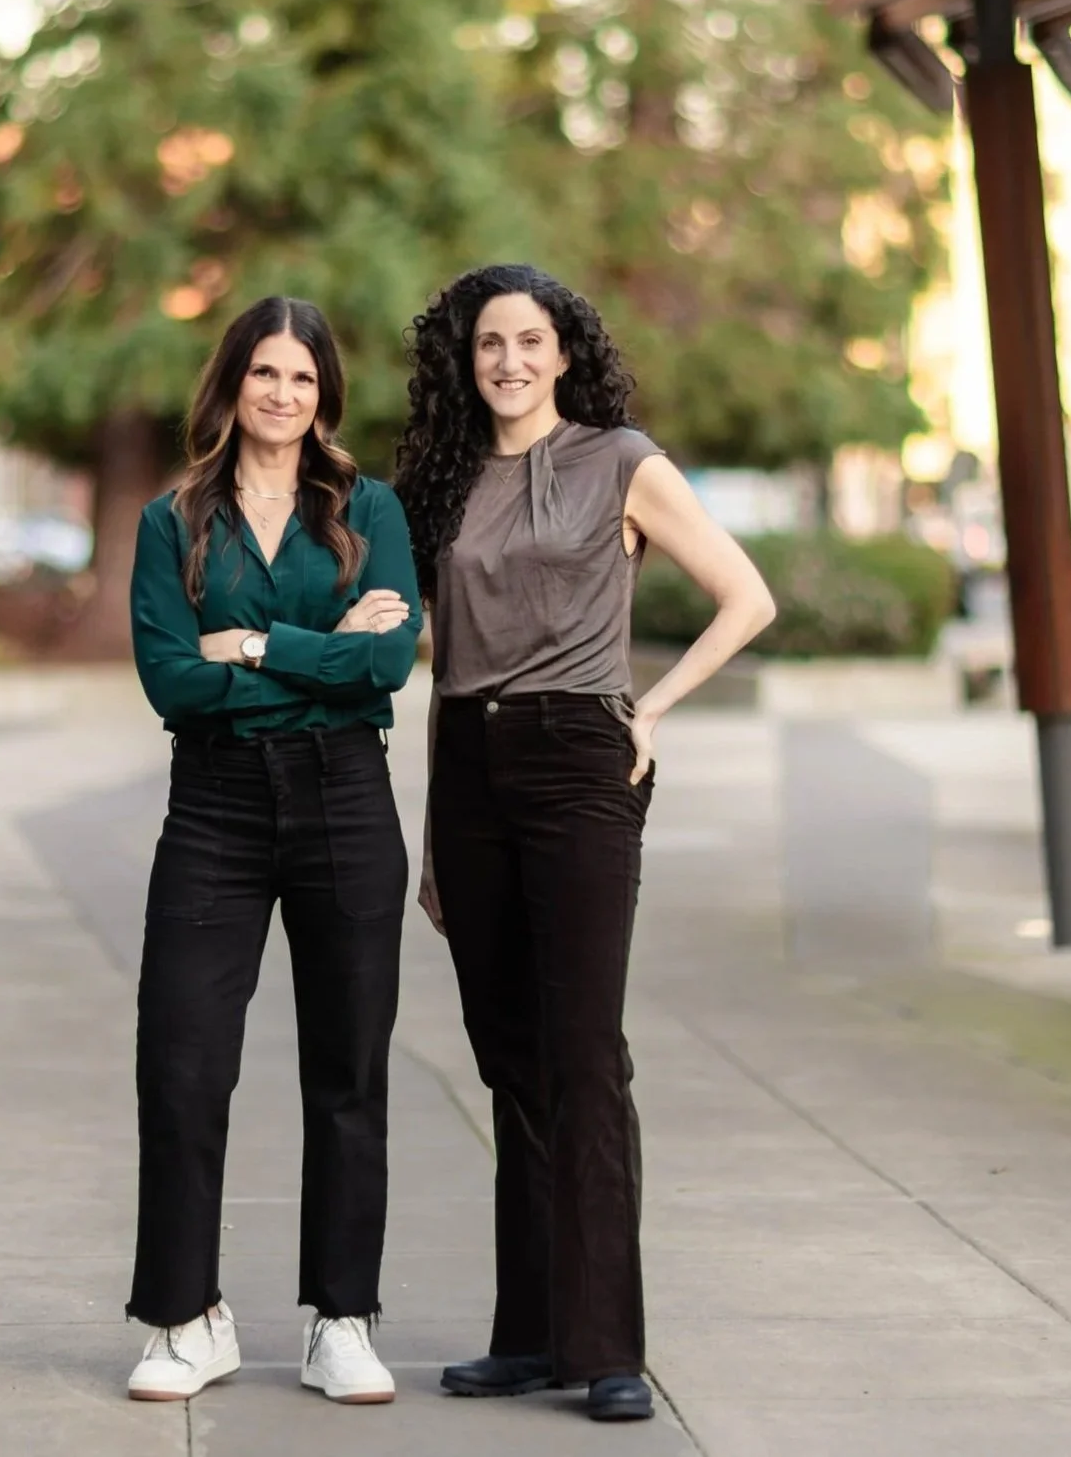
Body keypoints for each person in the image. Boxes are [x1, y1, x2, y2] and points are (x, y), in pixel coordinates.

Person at [395, 263, 776, 1423]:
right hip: (467, 762)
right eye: (486, 344)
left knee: (581, 1053)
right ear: (464, 362)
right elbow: (434, 652)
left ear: (563, 352)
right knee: (508, 1055)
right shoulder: (441, 480)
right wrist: (431, 834)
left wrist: (648, 711)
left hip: (576, 762)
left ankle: (608, 1343)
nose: (507, 361)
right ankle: (529, 1334)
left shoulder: (620, 460)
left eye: (527, 340)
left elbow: (744, 596)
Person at [124, 296, 421, 1406]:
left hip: (346, 800)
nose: (281, 394)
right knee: (182, 1060)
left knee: (347, 1066)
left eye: (301, 376)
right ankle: (183, 1316)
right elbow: (170, 678)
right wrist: (320, 653)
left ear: (323, 392)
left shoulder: (370, 510)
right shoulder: (173, 520)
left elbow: (388, 667)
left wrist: (251, 641)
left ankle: (340, 1317)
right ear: (232, 383)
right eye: (263, 373)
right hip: (213, 810)